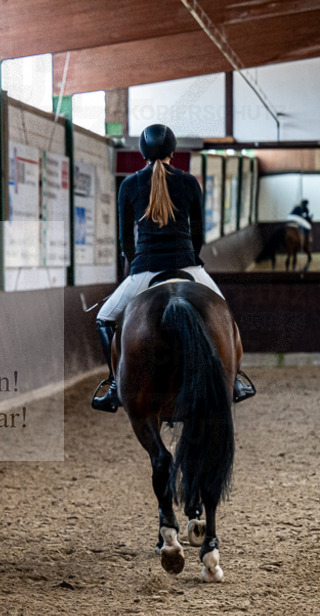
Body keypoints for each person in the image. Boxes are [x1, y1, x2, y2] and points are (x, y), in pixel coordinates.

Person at [91, 124, 255, 412]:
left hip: (145, 269)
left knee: (104, 318)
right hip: (188, 266)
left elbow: (125, 240)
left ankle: (116, 384)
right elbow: (199, 236)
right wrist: (188, 257)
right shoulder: (189, 182)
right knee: (225, 316)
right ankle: (236, 380)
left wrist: (135, 265)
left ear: (141, 152)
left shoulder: (129, 185)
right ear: (173, 151)